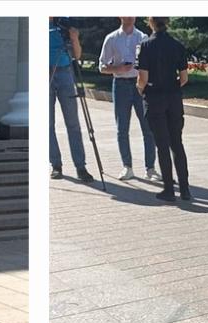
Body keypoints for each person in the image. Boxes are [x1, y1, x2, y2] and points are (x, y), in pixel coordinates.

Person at [136, 17, 190, 202]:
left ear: (151, 22)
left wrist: (141, 89)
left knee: (162, 145)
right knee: (177, 143)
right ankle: (185, 190)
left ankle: (169, 189)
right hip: (174, 98)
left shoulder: (145, 45)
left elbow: (142, 77)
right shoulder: (177, 45)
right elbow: (184, 78)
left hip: (154, 97)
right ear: (166, 22)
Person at [99, 17, 160, 182]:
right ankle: (127, 167)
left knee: (148, 127)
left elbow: (152, 63)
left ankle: (151, 168)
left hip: (140, 83)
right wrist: (117, 68)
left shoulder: (142, 37)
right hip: (120, 84)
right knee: (122, 128)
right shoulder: (112, 38)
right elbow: (102, 66)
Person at [49, 18, 93, 182]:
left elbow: (77, 54)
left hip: (65, 73)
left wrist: (74, 38)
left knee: (73, 123)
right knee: (47, 124)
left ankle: (80, 166)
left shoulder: (63, 25)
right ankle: (55, 164)